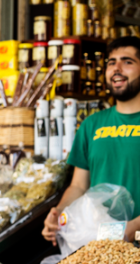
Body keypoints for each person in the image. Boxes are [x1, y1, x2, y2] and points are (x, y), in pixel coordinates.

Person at [43, 36, 140, 245]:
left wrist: (134, 227)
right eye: (111, 63)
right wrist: (59, 212)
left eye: (127, 62)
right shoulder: (92, 125)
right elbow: (79, 186)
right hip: (100, 244)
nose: (117, 68)